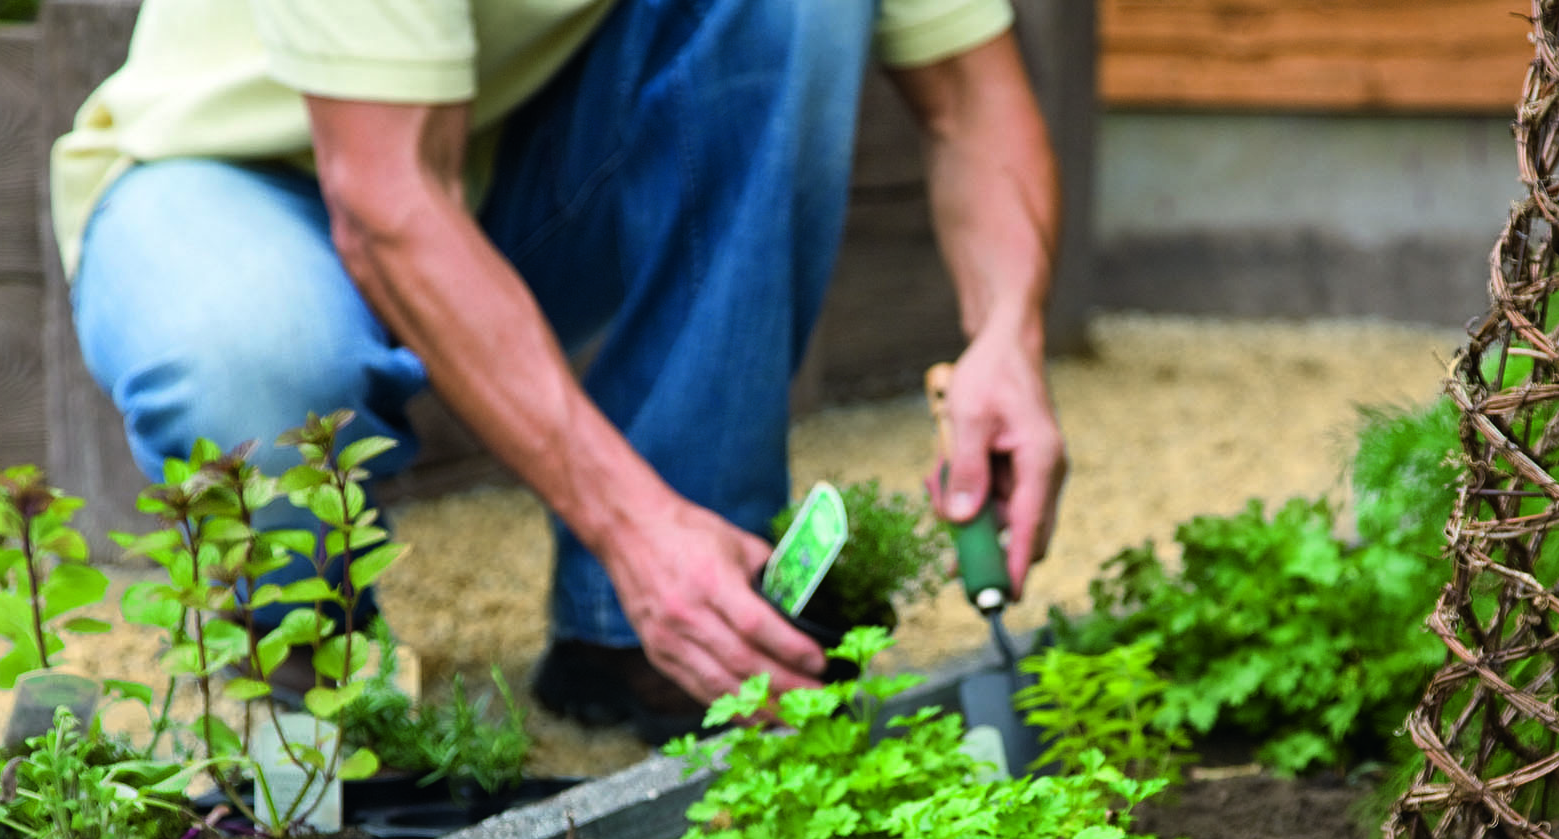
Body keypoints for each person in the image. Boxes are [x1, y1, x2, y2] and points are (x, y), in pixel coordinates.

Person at [52, 0, 1069, 740]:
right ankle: (313, 687)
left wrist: (1005, 346)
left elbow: (969, 101)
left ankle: (671, 628)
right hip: (233, 174)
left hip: (520, 174)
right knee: (255, 350)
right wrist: (629, 522)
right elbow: (385, 198)